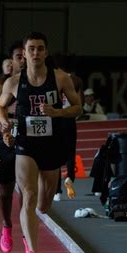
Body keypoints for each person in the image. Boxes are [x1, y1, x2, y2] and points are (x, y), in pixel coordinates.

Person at [0, 32, 82, 253]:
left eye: (40, 48)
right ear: (24, 53)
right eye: (31, 48)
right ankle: (32, 251)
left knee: (43, 205)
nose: (35, 53)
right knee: (29, 195)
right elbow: (0, 107)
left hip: (52, 145)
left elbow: (77, 108)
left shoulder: (61, 78)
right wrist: (4, 122)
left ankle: (28, 231)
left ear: (46, 52)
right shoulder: (13, 82)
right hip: (26, 144)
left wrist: (58, 112)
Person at [0, 41, 26, 253]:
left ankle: (26, 231)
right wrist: (5, 131)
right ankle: (7, 225)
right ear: (11, 61)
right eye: (18, 56)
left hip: (28, 137)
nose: (22, 60)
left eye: (24, 56)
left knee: (26, 187)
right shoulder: (2, 84)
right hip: (5, 137)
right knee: (6, 191)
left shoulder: (39, 81)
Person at [54, 71, 84, 202]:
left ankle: (57, 191)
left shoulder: (55, 78)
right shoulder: (76, 79)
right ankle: (70, 177)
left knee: (55, 154)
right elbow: (80, 103)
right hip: (70, 119)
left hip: (58, 118)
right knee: (71, 152)